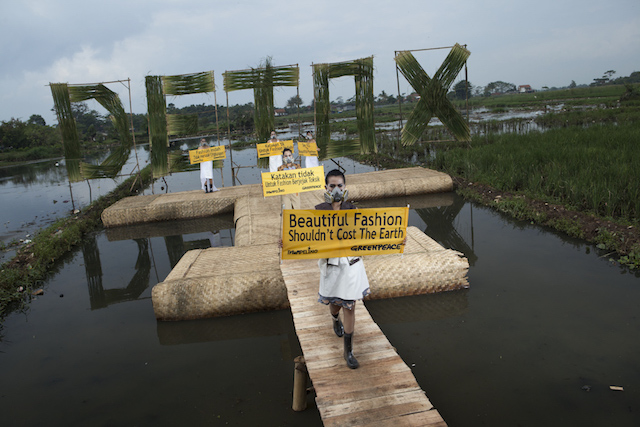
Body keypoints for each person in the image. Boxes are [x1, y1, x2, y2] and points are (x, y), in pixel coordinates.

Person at [315, 169, 369, 369]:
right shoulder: (318, 210)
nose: (336, 190)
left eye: (340, 186)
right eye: (332, 186)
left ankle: (348, 350)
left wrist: (394, 239)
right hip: (331, 264)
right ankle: (334, 318)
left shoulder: (353, 209)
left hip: (351, 264)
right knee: (334, 303)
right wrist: (286, 243)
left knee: (350, 305)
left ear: (345, 187)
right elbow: (303, 236)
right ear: (326, 188)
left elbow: (370, 233)